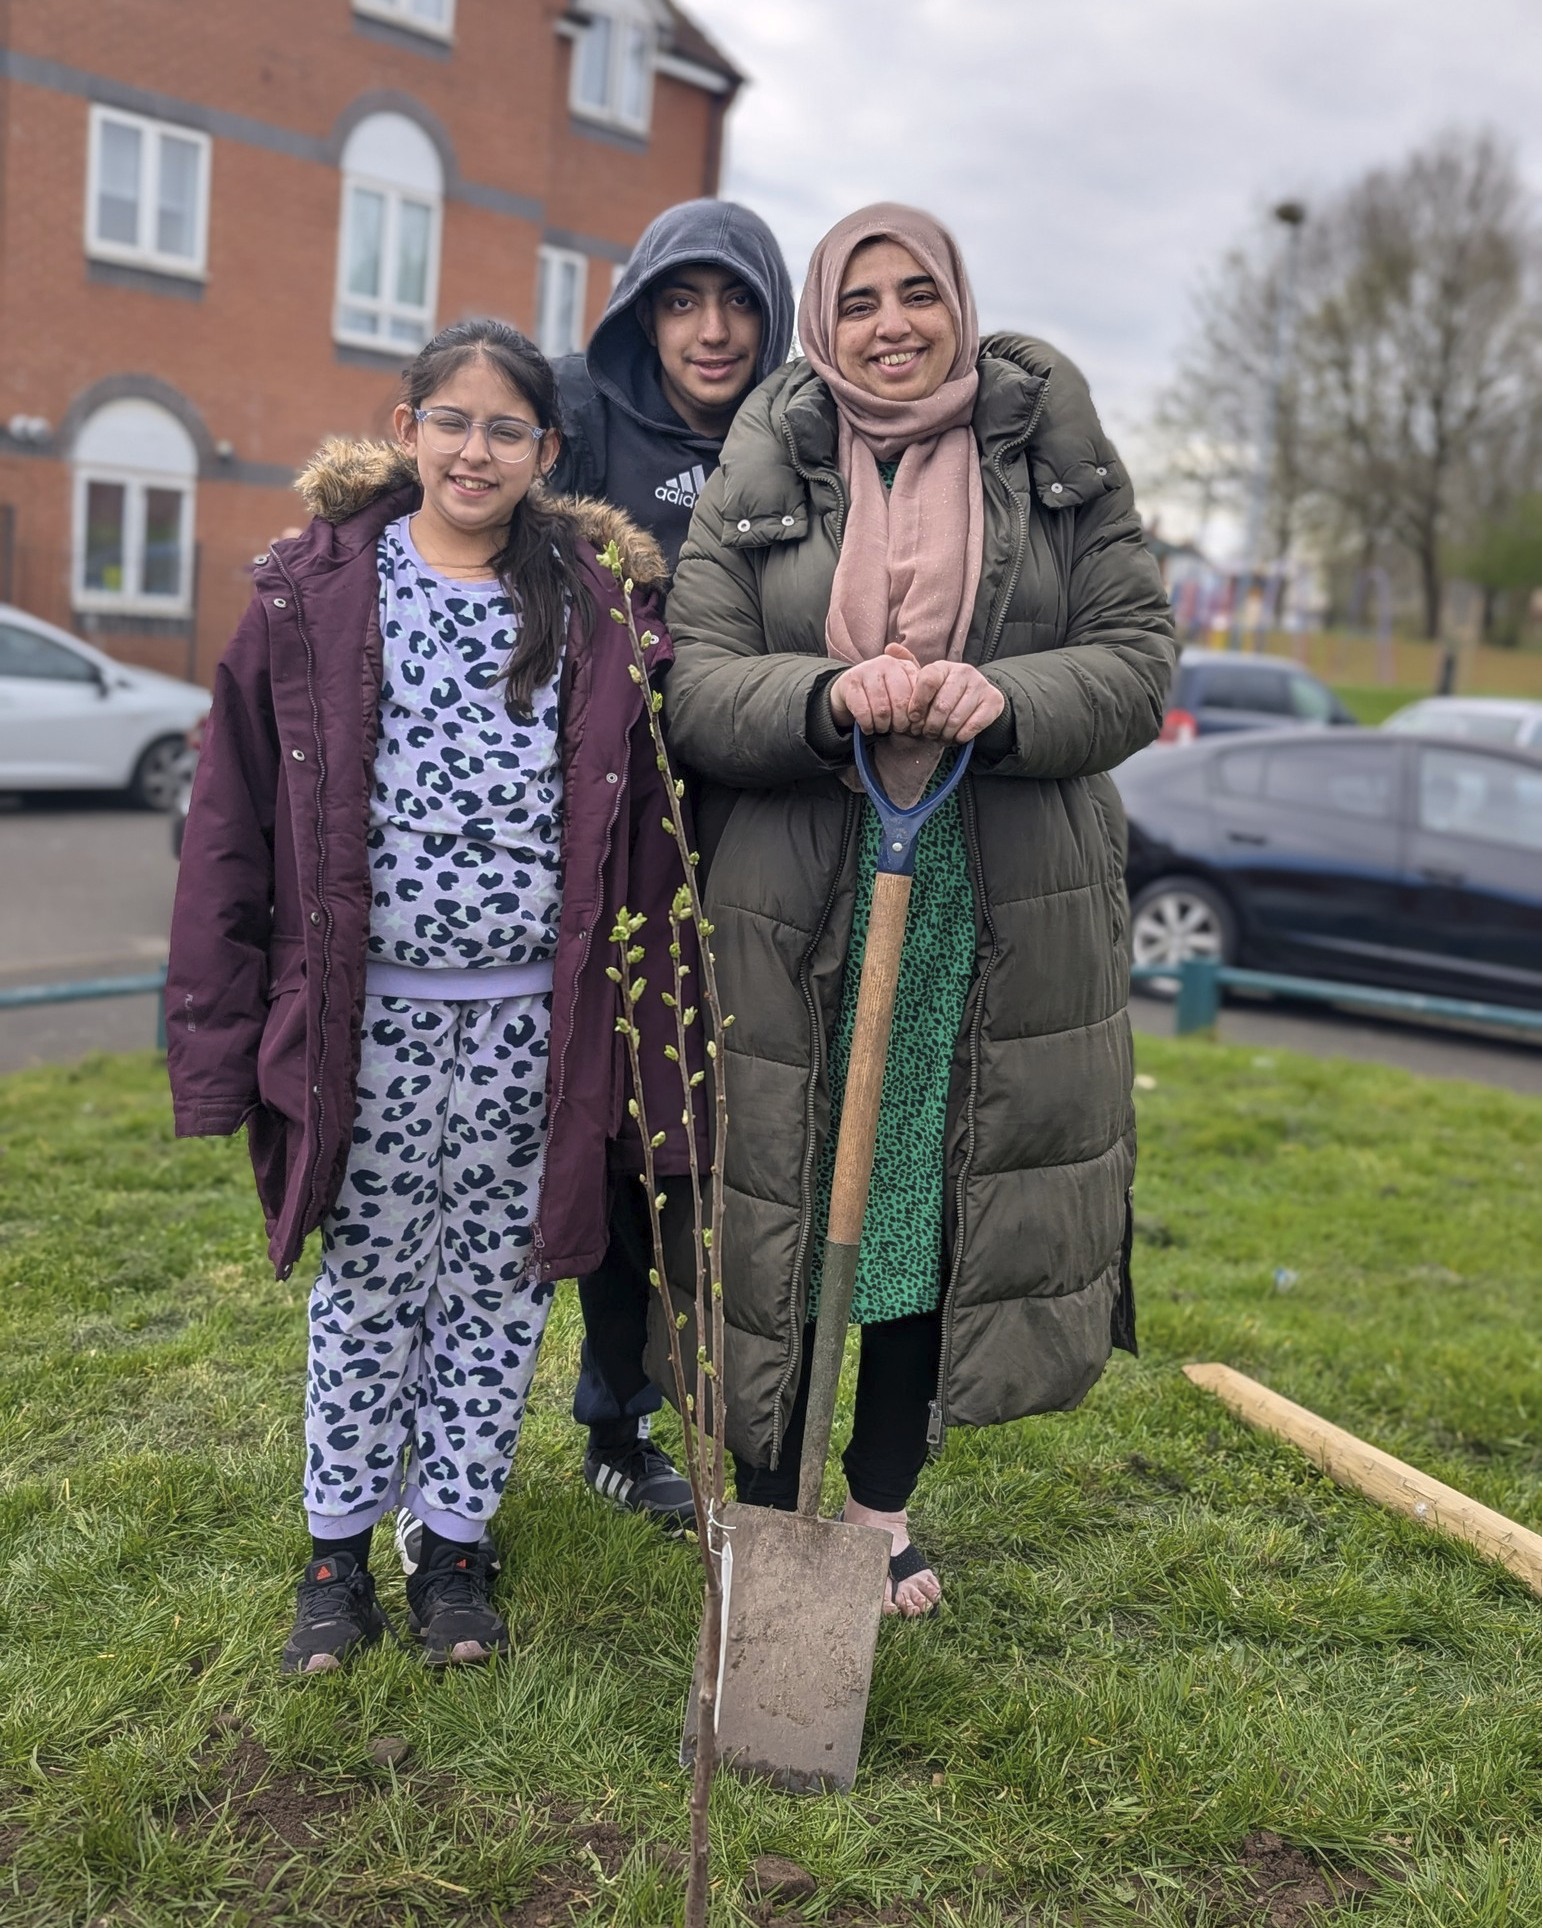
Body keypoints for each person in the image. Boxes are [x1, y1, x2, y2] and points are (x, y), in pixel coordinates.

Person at [663, 206, 1176, 1616]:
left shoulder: (1051, 459)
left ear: (958, 304)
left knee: (920, 1208)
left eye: (918, 294)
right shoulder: (767, 460)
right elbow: (699, 681)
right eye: (861, 301)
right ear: (824, 322)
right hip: (794, 907)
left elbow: (1137, 659)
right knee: (776, 1206)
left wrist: (1004, 696)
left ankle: (879, 1507)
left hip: (989, 895)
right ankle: (766, 1506)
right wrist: (826, 695)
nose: (893, 324)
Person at [165, 318, 698, 1673]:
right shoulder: (312, 593)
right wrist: (218, 1043)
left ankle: (453, 1543)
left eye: (507, 428)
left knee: (503, 1287)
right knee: (369, 1283)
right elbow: (228, 827)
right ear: (406, 430)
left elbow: (645, 840)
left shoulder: (597, 609)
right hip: (368, 1029)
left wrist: (656, 1050)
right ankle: (337, 1553)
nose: (476, 450)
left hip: (534, 1030)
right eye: (451, 420)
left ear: (548, 451)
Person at [530, 199, 794, 1530]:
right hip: (605, 835)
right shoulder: (577, 416)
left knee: (718, 1142)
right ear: (641, 310)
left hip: (752, 828)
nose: (711, 330)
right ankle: (615, 1421)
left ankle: (737, 1413)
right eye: (682, 301)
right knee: (614, 1129)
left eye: (738, 301)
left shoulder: (798, 438)